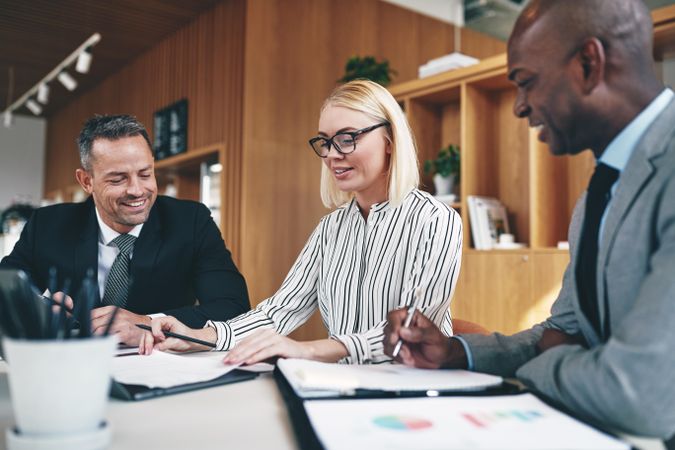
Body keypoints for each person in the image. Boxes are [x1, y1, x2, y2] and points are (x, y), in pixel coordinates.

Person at [384, 0, 675, 442]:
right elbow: (562, 331)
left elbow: (643, 394)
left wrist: (545, 363)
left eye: (526, 82)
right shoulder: (598, 194)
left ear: (588, 62)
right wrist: (455, 353)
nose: (520, 107)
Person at [139, 79, 463, 364]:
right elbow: (279, 311)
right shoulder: (330, 229)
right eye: (325, 141)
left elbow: (408, 331)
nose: (332, 154)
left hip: (414, 389)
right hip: (345, 389)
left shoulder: (436, 220)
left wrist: (309, 350)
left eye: (348, 138)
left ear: (390, 140)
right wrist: (200, 335)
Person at [0, 115, 250, 345]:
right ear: (87, 181)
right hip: (69, 366)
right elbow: (6, 289)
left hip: (159, 369)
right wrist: (37, 308)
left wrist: (147, 323)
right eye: (118, 179)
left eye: (145, 174)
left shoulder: (191, 221)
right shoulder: (48, 224)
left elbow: (234, 307)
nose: (137, 190)